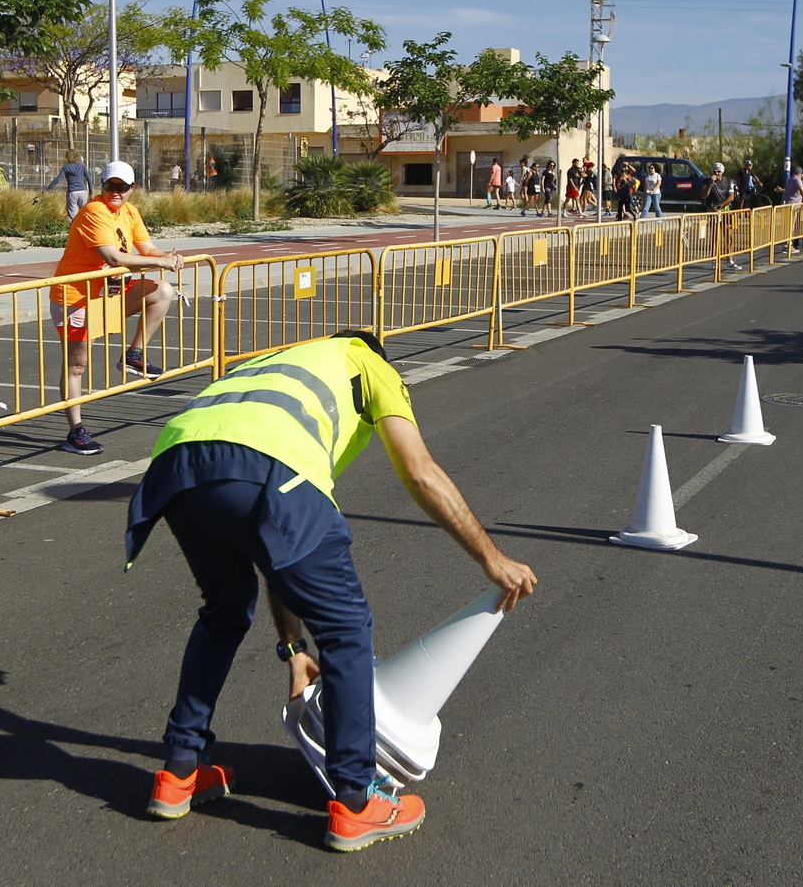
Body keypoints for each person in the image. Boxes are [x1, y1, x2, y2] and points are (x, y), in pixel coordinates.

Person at [126, 330, 537, 852]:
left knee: (224, 611)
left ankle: (180, 770)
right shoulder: (368, 362)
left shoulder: (282, 360)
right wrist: (491, 558)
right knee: (346, 628)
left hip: (176, 466)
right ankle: (357, 800)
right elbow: (421, 471)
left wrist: (295, 651)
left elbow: (279, 556)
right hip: (266, 465)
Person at [49, 162, 183, 455]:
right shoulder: (94, 212)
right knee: (77, 364)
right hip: (76, 296)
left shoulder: (130, 212)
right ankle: (75, 431)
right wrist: (161, 263)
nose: (115, 192)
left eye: (121, 188)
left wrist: (170, 257)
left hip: (109, 295)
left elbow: (147, 249)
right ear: (102, 186)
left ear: (131, 189)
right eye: (110, 186)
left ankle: (133, 354)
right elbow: (112, 257)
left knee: (162, 291)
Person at [38, 150, 93, 224]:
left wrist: (47, 189)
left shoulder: (66, 167)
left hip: (72, 192)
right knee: (84, 213)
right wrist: (91, 192)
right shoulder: (82, 166)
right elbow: (89, 179)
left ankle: (74, 231)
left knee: (72, 216)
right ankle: (85, 229)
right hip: (82, 192)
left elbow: (58, 179)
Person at [706, 163, 742, 269]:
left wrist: (720, 206)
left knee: (729, 237)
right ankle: (714, 260)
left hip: (725, 212)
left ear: (722, 172)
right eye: (715, 171)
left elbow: (731, 197)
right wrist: (710, 184)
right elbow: (703, 195)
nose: (716, 173)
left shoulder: (728, 182)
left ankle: (729, 260)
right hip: (713, 213)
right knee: (714, 237)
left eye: (719, 171)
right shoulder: (709, 181)